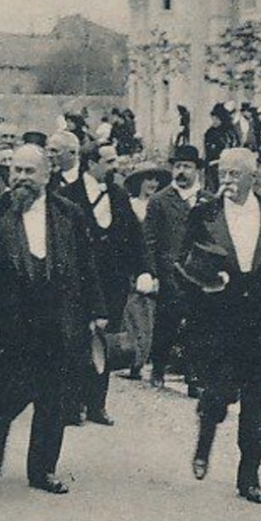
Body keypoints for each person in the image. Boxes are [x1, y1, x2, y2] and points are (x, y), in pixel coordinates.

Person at [0, 143, 107, 495]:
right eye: (16, 170)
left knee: (53, 396)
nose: (21, 178)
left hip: (58, 319)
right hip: (9, 319)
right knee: (11, 391)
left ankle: (42, 470)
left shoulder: (69, 213)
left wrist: (97, 311)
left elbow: (87, 266)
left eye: (30, 171)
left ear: (47, 175)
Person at [179, 146, 261, 504]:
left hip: (260, 322)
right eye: (223, 174)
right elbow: (184, 262)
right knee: (217, 393)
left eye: (235, 174)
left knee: (258, 398)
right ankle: (206, 435)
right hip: (218, 320)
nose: (228, 181)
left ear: (253, 176)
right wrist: (205, 281)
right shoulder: (204, 214)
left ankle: (249, 475)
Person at [62, 140, 154, 424]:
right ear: (91, 163)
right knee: (78, 341)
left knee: (107, 342)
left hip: (112, 283)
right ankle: (73, 405)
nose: (116, 167)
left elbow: (136, 237)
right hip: (79, 283)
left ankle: (97, 405)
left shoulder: (118, 194)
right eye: (109, 161)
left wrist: (144, 270)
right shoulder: (68, 195)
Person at [143, 144, 210, 391]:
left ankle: (194, 375)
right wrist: (152, 273)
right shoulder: (160, 201)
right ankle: (158, 367)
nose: (181, 171)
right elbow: (149, 241)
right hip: (169, 273)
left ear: (197, 170)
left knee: (198, 324)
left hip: (199, 274)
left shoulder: (208, 200)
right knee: (167, 323)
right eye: (178, 166)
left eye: (187, 167)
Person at [121, 160, 171, 381]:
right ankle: (133, 360)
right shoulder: (131, 205)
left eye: (155, 179)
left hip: (156, 266)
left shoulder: (160, 205)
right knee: (134, 314)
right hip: (133, 266)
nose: (152, 183)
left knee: (151, 316)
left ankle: (143, 359)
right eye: (148, 179)